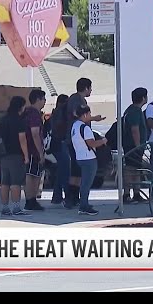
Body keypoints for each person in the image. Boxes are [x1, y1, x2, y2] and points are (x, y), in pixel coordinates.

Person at [65, 78, 106, 208]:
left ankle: (75, 198)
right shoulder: (76, 100)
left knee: (77, 172)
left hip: (77, 140)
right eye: (90, 88)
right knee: (77, 171)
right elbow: (76, 114)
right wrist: (94, 118)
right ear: (86, 88)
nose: (91, 90)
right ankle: (72, 198)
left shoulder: (77, 99)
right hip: (77, 141)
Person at [71, 105, 108, 215]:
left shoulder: (74, 126)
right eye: (89, 114)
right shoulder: (85, 128)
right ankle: (83, 206)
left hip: (80, 157)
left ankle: (83, 203)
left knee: (84, 183)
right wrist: (103, 141)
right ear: (85, 114)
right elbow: (91, 143)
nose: (90, 116)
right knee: (86, 184)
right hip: (89, 158)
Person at [0, 96, 31, 217]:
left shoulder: (3, 120)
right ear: (20, 107)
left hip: (3, 155)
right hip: (16, 155)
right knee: (16, 182)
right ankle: (16, 208)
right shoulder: (19, 121)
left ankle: (5, 208)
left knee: (5, 183)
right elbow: (22, 140)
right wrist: (26, 156)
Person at [122, 87, 148, 203]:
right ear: (143, 98)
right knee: (130, 169)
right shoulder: (134, 111)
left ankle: (137, 193)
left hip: (135, 146)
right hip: (133, 146)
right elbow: (135, 129)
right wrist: (138, 146)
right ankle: (127, 194)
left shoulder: (132, 110)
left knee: (136, 169)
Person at [22, 89, 47, 212]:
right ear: (38, 100)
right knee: (34, 175)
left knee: (31, 174)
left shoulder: (26, 113)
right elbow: (35, 134)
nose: (45, 102)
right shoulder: (34, 115)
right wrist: (40, 152)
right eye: (43, 99)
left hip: (27, 149)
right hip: (33, 150)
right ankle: (31, 200)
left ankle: (30, 199)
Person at [49, 94, 70, 205]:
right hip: (60, 143)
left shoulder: (55, 112)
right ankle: (67, 195)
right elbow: (60, 127)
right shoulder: (61, 113)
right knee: (65, 170)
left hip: (55, 143)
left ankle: (57, 196)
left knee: (61, 171)